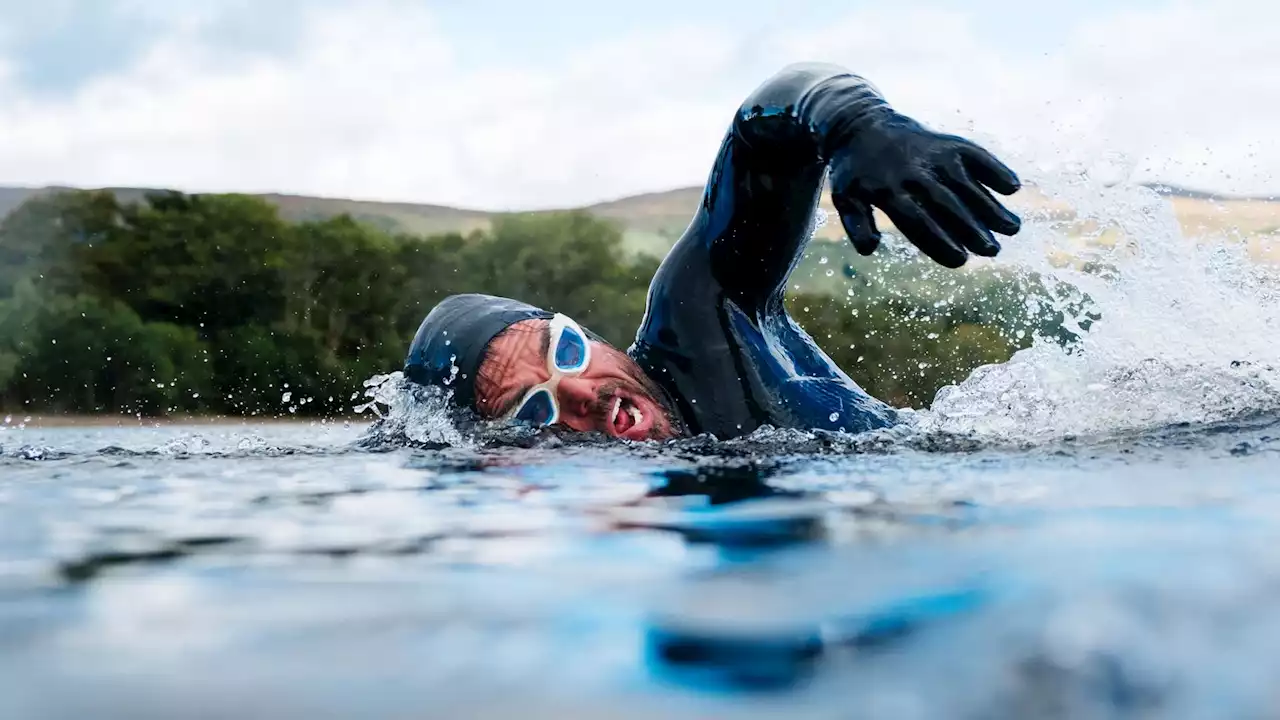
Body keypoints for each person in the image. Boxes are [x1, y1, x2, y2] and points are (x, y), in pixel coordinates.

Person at [404, 62, 1022, 441]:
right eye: (533, 410)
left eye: (566, 352)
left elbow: (762, 125)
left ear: (590, 334)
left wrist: (854, 122)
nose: (584, 393)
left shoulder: (702, 316)